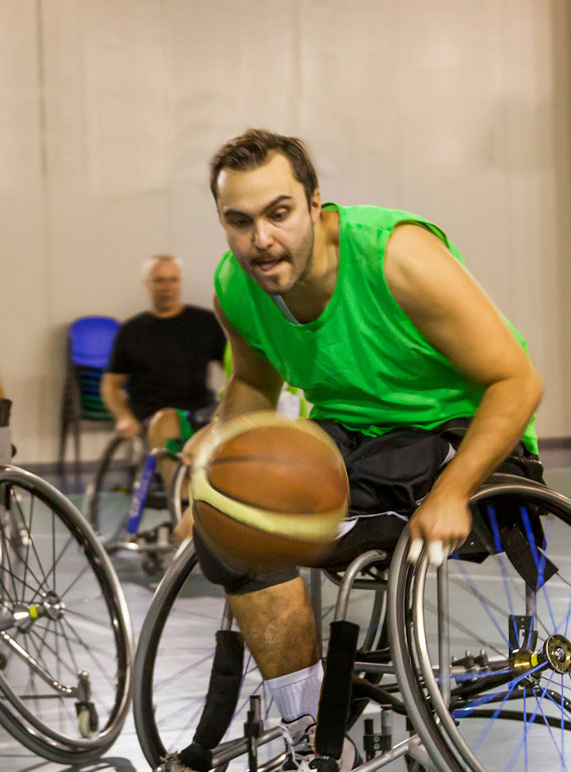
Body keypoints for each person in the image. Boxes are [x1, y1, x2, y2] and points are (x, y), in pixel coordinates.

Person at [162, 129, 543, 771]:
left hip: (458, 432)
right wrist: (214, 487)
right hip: (350, 438)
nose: (262, 240)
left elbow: (518, 381)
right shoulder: (237, 284)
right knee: (235, 535)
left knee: (327, 525)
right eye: (240, 221)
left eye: (279, 213)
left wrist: (453, 492)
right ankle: (310, 731)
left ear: (315, 203)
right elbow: (255, 383)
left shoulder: (397, 258)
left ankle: (317, 734)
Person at [102, 254, 226, 485]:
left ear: (180, 282)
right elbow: (111, 384)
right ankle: (181, 499)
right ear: (147, 285)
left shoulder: (205, 323)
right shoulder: (131, 330)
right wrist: (123, 417)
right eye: (159, 281)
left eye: (173, 280)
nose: (167, 287)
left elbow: (233, 367)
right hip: (152, 415)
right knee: (168, 422)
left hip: (200, 412)